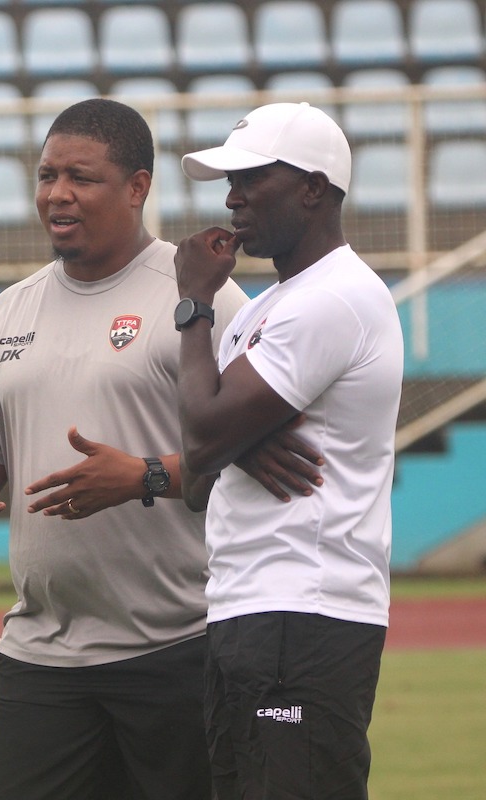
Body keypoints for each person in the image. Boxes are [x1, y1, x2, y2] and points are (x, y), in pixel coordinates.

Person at [0, 99, 321, 799]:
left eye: (82, 177)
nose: (57, 193)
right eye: (46, 175)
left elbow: (265, 455)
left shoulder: (206, 294)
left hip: (179, 649)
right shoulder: (7, 313)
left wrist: (141, 476)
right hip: (40, 656)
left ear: (138, 187)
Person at [174, 102, 405, 799]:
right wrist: (231, 447)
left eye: (251, 178)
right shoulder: (274, 305)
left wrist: (193, 305)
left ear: (313, 187)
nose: (232, 198)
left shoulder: (331, 299)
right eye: (229, 180)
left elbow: (203, 432)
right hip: (253, 611)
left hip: (303, 614)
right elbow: (200, 473)